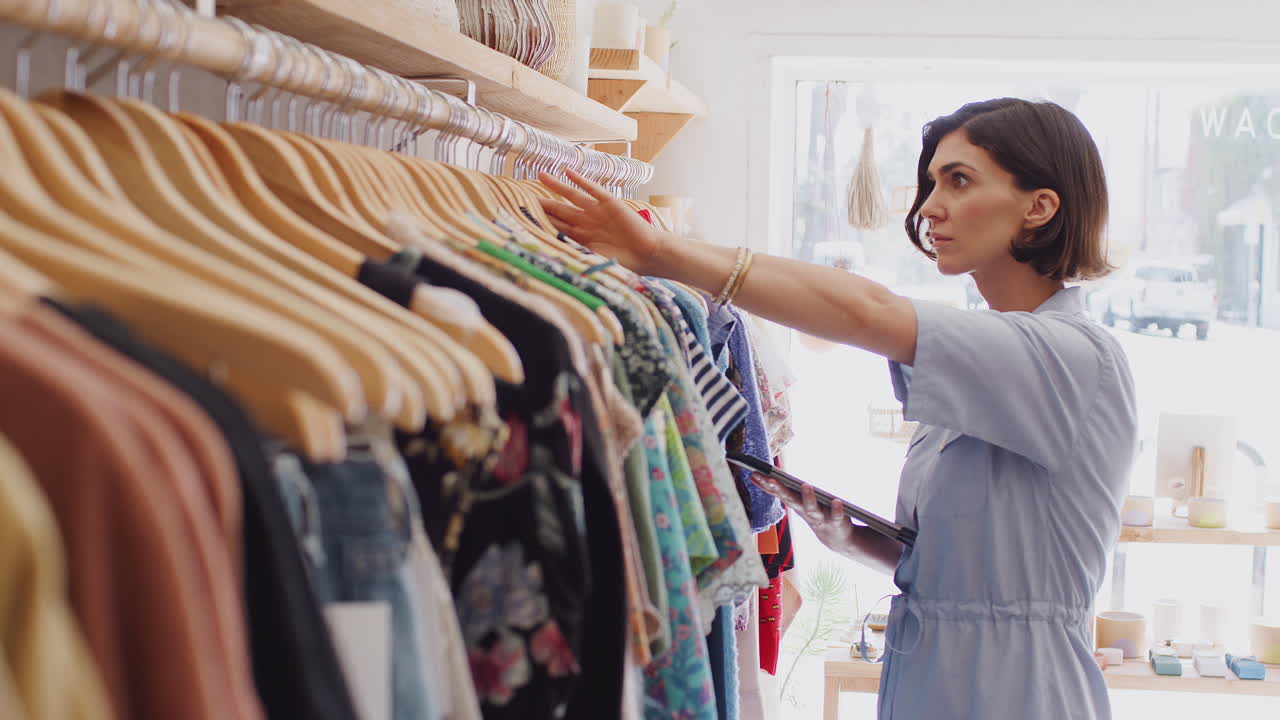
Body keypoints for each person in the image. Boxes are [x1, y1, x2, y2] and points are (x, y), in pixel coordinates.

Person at [538, 97, 1138, 720]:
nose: (929, 207)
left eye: (959, 180)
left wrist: (661, 252)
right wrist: (854, 540)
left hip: (1021, 692)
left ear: (1040, 207)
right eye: (933, 183)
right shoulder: (986, 364)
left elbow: (868, 312)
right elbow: (971, 568)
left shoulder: (1072, 357)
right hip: (935, 680)